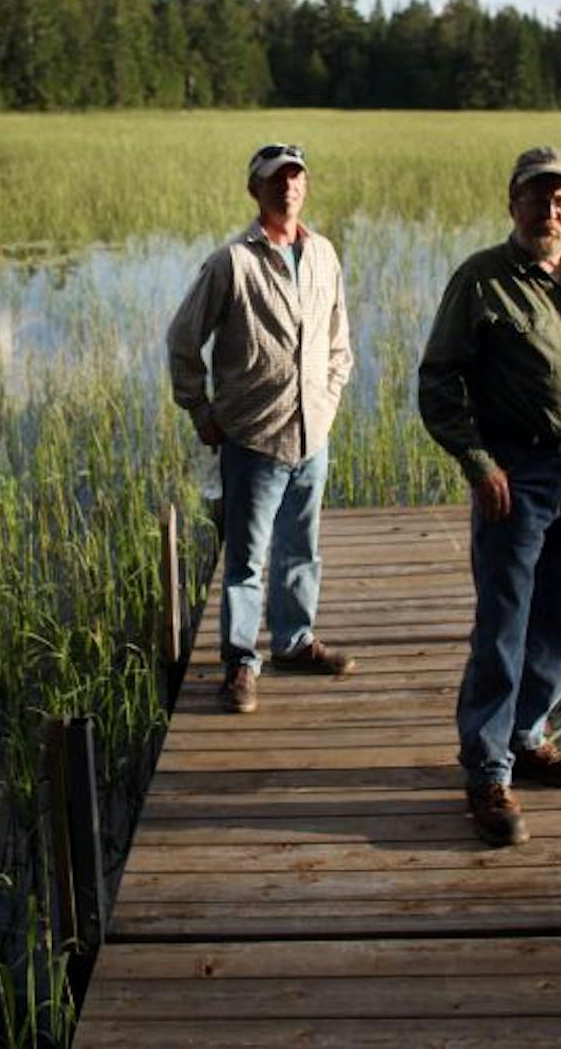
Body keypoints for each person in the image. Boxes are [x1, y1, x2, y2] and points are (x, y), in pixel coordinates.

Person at [417, 146, 561, 847]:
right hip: (517, 473)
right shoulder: (482, 280)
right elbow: (438, 382)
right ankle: (487, 770)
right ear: (512, 204)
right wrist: (479, 463)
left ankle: (527, 734)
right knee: (505, 622)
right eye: (538, 199)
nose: (551, 212)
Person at [167, 143, 356, 714]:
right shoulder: (232, 262)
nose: (288, 188)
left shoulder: (322, 253)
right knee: (247, 560)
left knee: (302, 548)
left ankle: (294, 643)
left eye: (296, 178)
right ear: (256, 190)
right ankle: (241, 663)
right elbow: (182, 340)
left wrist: (326, 400)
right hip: (254, 439)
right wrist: (200, 410)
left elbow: (339, 343)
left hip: (311, 437)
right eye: (276, 180)